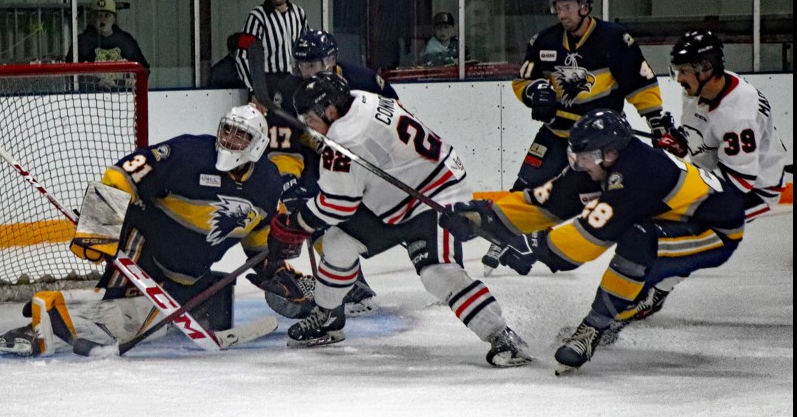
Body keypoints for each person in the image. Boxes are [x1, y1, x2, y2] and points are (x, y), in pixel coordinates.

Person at [0, 104, 314, 356]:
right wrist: (98, 230)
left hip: (188, 272)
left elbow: (258, 232)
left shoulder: (268, 183)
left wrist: (271, 265)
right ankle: (40, 326)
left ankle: (59, 319)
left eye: (241, 135)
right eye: (227, 130)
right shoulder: (187, 154)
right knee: (118, 315)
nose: (230, 139)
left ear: (257, 145)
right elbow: (119, 175)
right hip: (142, 244)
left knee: (143, 322)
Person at [440, 109, 745, 374]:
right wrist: (485, 217)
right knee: (638, 242)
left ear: (609, 153)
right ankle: (632, 304)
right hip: (669, 219)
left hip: (712, 231)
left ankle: (593, 329)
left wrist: (535, 247)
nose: (577, 163)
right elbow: (545, 203)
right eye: (576, 155)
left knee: (638, 243)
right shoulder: (597, 165)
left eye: (584, 156)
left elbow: (586, 240)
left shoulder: (640, 171)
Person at [277, 71, 532, 367]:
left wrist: (297, 224)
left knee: (437, 273)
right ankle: (328, 315)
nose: (311, 128)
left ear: (331, 111)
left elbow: (337, 205)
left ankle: (503, 336)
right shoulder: (362, 99)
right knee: (337, 243)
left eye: (311, 120)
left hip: (436, 193)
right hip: (397, 193)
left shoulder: (343, 139)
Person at [608, 30, 789, 329]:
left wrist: (682, 187)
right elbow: (697, 134)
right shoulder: (702, 89)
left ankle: (656, 291)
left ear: (706, 69)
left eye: (684, 72)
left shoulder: (737, 114)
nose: (678, 79)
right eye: (677, 70)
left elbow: (739, 184)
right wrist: (679, 141)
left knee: (691, 233)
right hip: (718, 175)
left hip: (754, 188)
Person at [269, 29, 399, 315]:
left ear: (332, 61)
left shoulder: (362, 81)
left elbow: (395, 116)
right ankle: (351, 282)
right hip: (313, 159)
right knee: (315, 212)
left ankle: (440, 262)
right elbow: (282, 146)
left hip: (361, 155)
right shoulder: (288, 91)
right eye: (304, 65)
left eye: (316, 65)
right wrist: (288, 180)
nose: (309, 71)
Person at [510, 0, 680, 191]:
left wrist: (655, 120)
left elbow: (640, 83)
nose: (562, 14)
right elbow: (523, 80)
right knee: (525, 191)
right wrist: (536, 92)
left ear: (584, 7)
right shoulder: (544, 41)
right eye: (559, 8)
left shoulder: (614, 39)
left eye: (568, 7)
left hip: (602, 139)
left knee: (608, 196)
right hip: (556, 133)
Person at [235, 0, 309, 98]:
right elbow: (242, 56)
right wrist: (255, 90)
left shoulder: (299, 14)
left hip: (296, 83)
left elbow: (307, 52)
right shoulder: (256, 17)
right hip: (269, 85)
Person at [66, 0, 150, 72]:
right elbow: (69, 73)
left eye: (107, 15)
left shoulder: (126, 40)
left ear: (114, 17)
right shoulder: (81, 42)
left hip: (121, 88)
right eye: (97, 15)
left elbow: (144, 69)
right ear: (90, 18)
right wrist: (94, 80)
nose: (102, 19)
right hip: (90, 88)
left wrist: (134, 79)